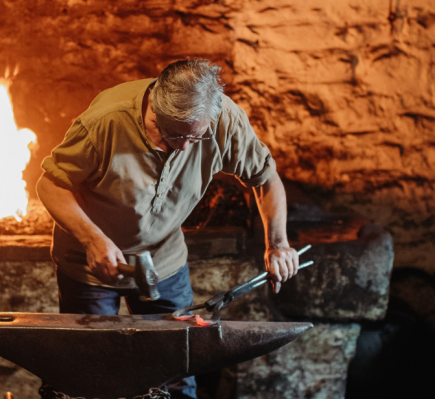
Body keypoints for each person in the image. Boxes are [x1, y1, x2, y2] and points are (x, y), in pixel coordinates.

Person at [36, 59, 300, 399]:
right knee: (92, 376)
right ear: (154, 109)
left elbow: (265, 179)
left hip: (163, 260)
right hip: (88, 264)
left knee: (176, 372)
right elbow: (51, 185)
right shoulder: (105, 122)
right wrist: (92, 238)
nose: (185, 146)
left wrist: (277, 243)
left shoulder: (223, 120)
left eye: (196, 136)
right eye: (173, 134)